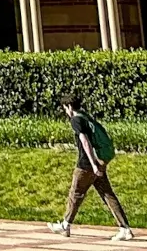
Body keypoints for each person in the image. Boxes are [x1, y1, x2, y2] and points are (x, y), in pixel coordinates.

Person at [47, 98, 133, 241]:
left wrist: (93, 164)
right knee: (107, 194)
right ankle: (125, 229)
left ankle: (65, 225)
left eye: (65, 108)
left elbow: (84, 141)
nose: (65, 111)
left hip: (87, 164)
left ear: (69, 106)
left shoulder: (76, 120)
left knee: (75, 193)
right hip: (99, 160)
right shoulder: (86, 117)